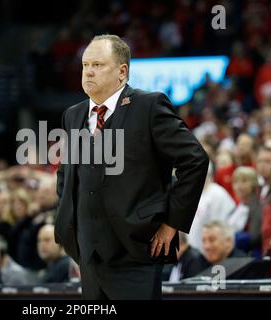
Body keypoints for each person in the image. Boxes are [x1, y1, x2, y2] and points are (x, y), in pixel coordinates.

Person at [55, 34, 209, 299]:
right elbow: (66, 175)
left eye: (98, 65)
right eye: (85, 65)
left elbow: (194, 160)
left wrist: (171, 223)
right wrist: (71, 226)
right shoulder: (73, 114)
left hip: (136, 251)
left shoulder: (149, 105)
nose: (88, 72)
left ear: (122, 71)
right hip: (88, 257)